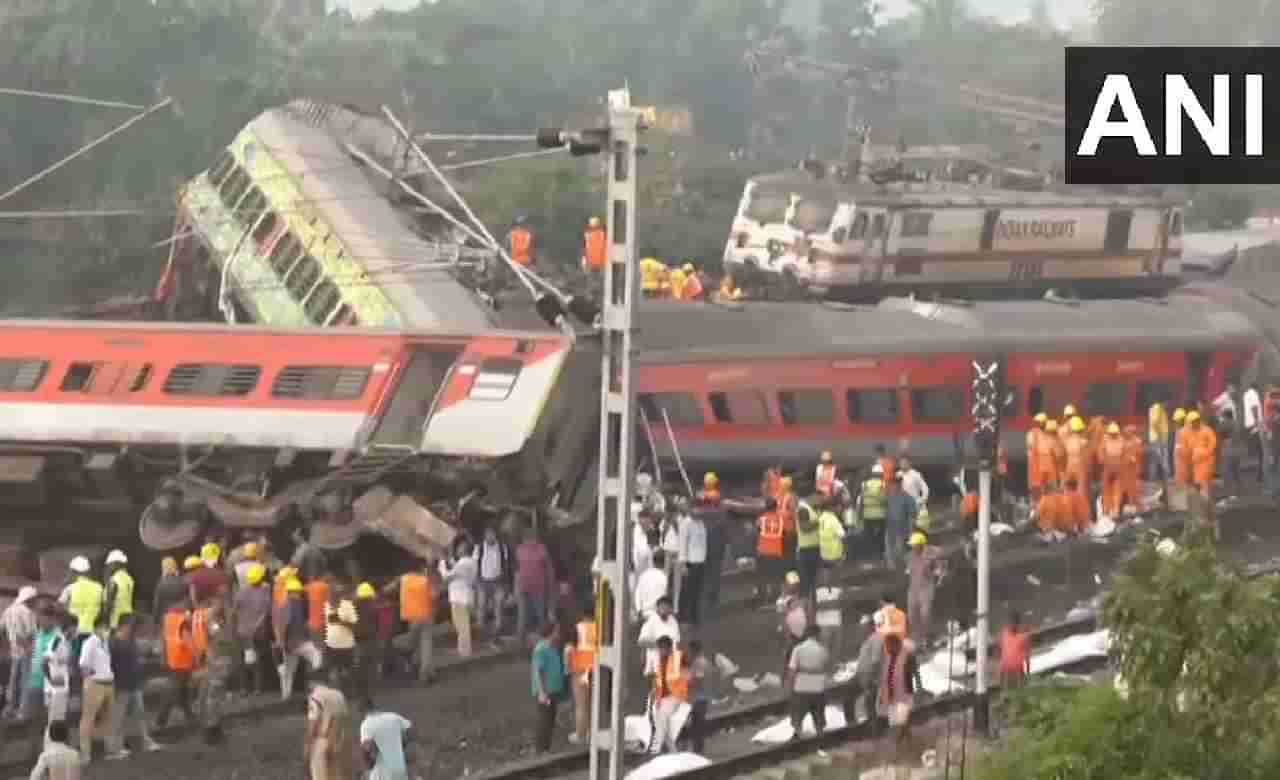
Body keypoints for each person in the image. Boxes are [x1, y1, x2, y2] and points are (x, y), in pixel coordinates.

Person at [107, 614, 160, 756]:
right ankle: (115, 747)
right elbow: (110, 665)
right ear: (123, 626)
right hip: (121, 685)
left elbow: (136, 660)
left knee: (140, 714)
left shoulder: (130, 641)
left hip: (134, 683)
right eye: (131, 626)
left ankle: (146, 741)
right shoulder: (114, 643)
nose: (133, 629)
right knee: (119, 717)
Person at [383, 563, 435, 683]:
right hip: (426, 614)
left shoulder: (403, 578)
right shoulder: (425, 579)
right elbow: (434, 595)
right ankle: (425, 673)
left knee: (412, 641)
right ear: (420, 569)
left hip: (411, 616)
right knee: (426, 645)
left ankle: (406, 655)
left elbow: (387, 589)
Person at [196, 599, 235, 745]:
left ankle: (213, 727)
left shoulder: (212, 619)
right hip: (216, 661)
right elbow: (222, 638)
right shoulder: (212, 621)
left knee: (215, 696)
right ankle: (211, 729)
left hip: (218, 660)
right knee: (213, 696)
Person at [277, 578, 323, 701]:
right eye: (297, 592)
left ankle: (286, 696)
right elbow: (286, 624)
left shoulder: (286, 605)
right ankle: (315, 687)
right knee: (317, 656)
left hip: (290, 643)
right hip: (297, 642)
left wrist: (282, 642)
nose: (298, 594)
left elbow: (282, 625)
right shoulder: (296, 605)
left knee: (288, 671)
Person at [77, 616, 115, 762]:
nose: (107, 631)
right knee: (88, 719)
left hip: (108, 683)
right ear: (97, 627)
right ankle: (85, 754)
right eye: (105, 627)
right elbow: (83, 665)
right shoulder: (90, 643)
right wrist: (88, 682)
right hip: (95, 684)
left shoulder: (105, 643)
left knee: (108, 719)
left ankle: (110, 750)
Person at [879, 633, 921, 762]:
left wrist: (920, 687)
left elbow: (916, 673)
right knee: (900, 724)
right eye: (887, 646)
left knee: (899, 724)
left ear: (897, 644)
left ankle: (895, 753)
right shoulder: (887, 658)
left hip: (905, 695)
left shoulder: (908, 656)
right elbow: (884, 678)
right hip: (892, 697)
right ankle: (910, 747)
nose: (889, 648)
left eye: (890, 645)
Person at [156, 600, 197, 728]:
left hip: (172, 656)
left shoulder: (168, 618)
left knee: (181, 687)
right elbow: (187, 640)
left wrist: (163, 655)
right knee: (175, 688)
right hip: (182, 659)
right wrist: (197, 655)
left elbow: (164, 637)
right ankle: (162, 717)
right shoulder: (183, 620)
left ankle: (188, 712)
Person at [645, 636, 688, 755]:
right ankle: (673, 752)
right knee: (662, 722)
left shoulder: (678, 657)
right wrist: (657, 700)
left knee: (662, 718)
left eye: (662, 648)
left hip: (676, 695)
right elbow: (659, 683)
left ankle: (655, 750)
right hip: (664, 698)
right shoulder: (659, 661)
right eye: (659, 648)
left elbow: (687, 675)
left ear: (669, 648)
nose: (660, 651)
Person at [786, 625, 830, 740]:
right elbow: (826, 669)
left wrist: (790, 687)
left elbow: (792, 671)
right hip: (818, 687)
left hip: (801, 686)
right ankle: (820, 738)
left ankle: (798, 737)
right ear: (817, 634)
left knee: (798, 716)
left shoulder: (798, 649)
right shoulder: (823, 650)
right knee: (818, 717)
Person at [234, 563, 272, 695]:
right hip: (258, 631)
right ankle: (257, 688)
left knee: (243, 660)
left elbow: (235, 610)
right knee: (258, 659)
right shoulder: (265, 592)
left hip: (243, 630)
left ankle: (244, 688)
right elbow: (267, 611)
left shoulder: (240, 592)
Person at [305, 672, 351, 780]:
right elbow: (344, 719)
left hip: (321, 741)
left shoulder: (315, 696)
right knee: (335, 776)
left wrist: (307, 745)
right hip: (337, 740)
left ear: (311, 683)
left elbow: (313, 723)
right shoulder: (339, 694)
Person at [531, 622, 568, 752]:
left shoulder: (552, 647)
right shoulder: (541, 649)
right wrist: (542, 692)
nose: (558, 633)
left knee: (550, 719)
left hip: (551, 690)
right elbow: (539, 671)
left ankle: (545, 747)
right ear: (551, 632)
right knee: (544, 720)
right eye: (556, 631)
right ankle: (541, 748)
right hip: (545, 691)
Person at [515, 527, 555, 643]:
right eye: (528, 539)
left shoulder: (541, 549)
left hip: (538, 587)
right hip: (524, 587)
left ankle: (543, 638)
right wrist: (516, 587)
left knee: (539, 613)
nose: (530, 541)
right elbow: (517, 569)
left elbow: (549, 568)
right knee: (523, 614)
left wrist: (550, 584)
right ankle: (520, 638)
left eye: (531, 538)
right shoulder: (520, 549)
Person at [3, 585, 38, 719]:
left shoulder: (8, 610)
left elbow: (2, 629)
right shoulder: (27, 613)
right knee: (25, 681)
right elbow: (31, 633)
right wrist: (29, 647)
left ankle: (9, 708)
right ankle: (22, 711)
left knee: (13, 681)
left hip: (14, 651)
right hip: (26, 651)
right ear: (29, 599)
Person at [474, 525, 513, 640]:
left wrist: (505, 581)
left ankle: (497, 631)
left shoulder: (502, 547)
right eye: (488, 535)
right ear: (484, 536)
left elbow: (506, 564)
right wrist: (477, 580)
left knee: (498, 607)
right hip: (483, 581)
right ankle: (481, 631)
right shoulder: (479, 548)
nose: (490, 537)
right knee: (481, 606)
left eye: (492, 534)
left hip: (498, 581)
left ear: (495, 535)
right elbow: (475, 564)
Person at [439, 542, 477, 657]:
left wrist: (441, 563)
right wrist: (448, 559)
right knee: (462, 624)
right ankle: (462, 649)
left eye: (460, 548)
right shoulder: (470, 562)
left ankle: (465, 651)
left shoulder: (463, 564)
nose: (457, 550)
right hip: (465, 596)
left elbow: (447, 576)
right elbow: (456, 568)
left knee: (462, 625)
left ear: (464, 550)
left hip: (459, 598)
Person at [566, 606, 596, 745]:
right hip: (595, 668)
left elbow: (569, 649)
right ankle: (591, 733)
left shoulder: (577, 628)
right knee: (592, 703)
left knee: (580, 704)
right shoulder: (599, 628)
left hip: (580, 668)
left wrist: (567, 668)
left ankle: (580, 734)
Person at [323, 585, 360, 697]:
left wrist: (341, 621)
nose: (332, 596)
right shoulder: (326, 606)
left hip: (346, 645)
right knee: (333, 672)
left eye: (335, 594)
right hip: (331, 645)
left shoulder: (347, 606)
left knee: (347, 672)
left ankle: (348, 693)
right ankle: (338, 694)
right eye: (331, 594)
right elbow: (324, 625)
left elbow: (354, 625)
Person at [360, 703, 413, 780]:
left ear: (363, 712)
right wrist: (401, 745)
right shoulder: (393, 717)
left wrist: (368, 766)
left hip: (382, 773)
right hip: (400, 769)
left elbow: (366, 747)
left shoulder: (367, 724)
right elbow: (410, 730)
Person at [906, 533, 942, 644]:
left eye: (914, 545)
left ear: (920, 544)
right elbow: (908, 571)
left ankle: (927, 637)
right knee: (912, 614)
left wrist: (937, 576)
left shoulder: (930, 555)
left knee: (925, 613)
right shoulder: (910, 556)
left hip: (926, 588)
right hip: (913, 589)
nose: (912, 547)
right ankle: (916, 637)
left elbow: (939, 568)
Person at [677, 504, 708, 625]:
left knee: (697, 590)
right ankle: (682, 616)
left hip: (700, 561)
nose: (698, 510)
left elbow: (703, 542)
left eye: (700, 508)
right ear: (691, 509)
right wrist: (683, 563)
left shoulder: (701, 523)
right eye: (696, 508)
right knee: (686, 591)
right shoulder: (686, 524)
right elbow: (682, 544)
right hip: (689, 562)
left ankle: (694, 615)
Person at [352, 583, 380, 709]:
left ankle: (362, 700)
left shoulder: (353, 607)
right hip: (370, 643)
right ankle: (367, 699)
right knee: (369, 673)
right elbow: (376, 625)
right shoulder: (372, 608)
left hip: (358, 644)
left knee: (360, 673)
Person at [638, 597, 680, 679]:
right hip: (654, 664)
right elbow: (641, 641)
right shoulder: (651, 621)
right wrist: (660, 645)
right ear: (657, 608)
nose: (664, 609)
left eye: (667, 607)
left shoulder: (674, 622)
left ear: (671, 609)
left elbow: (677, 643)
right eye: (662, 607)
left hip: (670, 664)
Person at [683, 640, 713, 753]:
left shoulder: (699, 663)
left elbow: (698, 680)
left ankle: (697, 750)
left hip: (699, 699)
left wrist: (686, 682)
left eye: (690, 650)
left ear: (694, 650)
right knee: (696, 725)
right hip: (700, 698)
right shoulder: (701, 662)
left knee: (697, 726)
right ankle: (697, 749)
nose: (688, 653)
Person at [883, 475, 917, 570]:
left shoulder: (907, 498)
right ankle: (892, 567)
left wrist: (911, 529)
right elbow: (885, 510)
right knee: (889, 548)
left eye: (896, 484)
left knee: (900, 549)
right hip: (890, 526)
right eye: (892, 484)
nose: (893, 486)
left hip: (901, 528)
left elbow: (912, 514)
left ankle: (907, 564)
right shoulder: (888, 496)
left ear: (900, 484)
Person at [777, 573, 808, 673]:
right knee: (788, 653)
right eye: (792, 583)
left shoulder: (799, 597)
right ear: (785, 584)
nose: (794, 586)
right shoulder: (782, 600)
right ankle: (786, 673)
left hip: (801, 631)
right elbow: (781, 618)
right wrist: (787, 633)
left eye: (796, 584)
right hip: (790, 632)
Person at [756, 497, 786, 599]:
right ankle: (777, 597)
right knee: (777, 576)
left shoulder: (761, 519)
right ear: (776, 507)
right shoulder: (781, 519)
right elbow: (784, 533)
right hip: (777, 551)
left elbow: (758, 530)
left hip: (763, 551)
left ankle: (765, 598)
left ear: (766, 507)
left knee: (764, 575)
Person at [794, 495, 822, 602]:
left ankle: (811, 608)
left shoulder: (810, 508)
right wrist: (819, 521)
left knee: (812, 581)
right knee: (806, 583)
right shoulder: (803, 508)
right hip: (806, 551)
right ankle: (806, 609)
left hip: (813, 549)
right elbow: (804, 528)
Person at [1186, 411, 1219, 498]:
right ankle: (1203, 500)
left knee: (1204, 482)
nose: (1192, 424)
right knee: (1198, 482)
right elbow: (1189, 446)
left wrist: (1204, 453)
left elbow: (1213, 444)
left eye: (1193, 422)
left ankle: (1206, 501)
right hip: (1196, 462)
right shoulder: (1190, 432)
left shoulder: (1207, 430)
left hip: (1206, 461)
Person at [814, 569, 844, 659]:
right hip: (823, 624)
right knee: (824, 647)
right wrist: (834, 603)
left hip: (837, 622)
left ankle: (834, 665)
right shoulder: (816, 590)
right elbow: (818, 606)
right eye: (823, 575)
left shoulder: (838, 589)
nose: (826, 577)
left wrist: (826, 604)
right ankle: (823, 664)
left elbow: (842, 604)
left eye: (827, 574)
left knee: (837, 647)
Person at [101, 550, 133, 630]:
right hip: (127, 621)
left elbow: (109, 603)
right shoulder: (129, 579)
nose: (108, 567)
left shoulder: (114, 580)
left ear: (115, 564)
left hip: (115, 623)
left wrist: (104, 622)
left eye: (109, 565)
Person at [634, 551, 669, 624]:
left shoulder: (644, 575)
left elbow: (637, 594)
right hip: (658, 615)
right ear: (664, 562)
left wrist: (639, 611)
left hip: (645, 615)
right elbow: (664, 596)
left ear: (653, 561)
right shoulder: (663, 577)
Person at [999, 611, 1032, 688]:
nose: (1011, 625)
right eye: (1010, 623)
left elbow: (1027, 657)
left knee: (1018, 691)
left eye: (1013, 623)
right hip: (1006, 670)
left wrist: (1027, 673)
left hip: (1016, 670)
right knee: (1006, 692)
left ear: (1017, 624)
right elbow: (1001, 651)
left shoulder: (1023, 637)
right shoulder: (1004, 633)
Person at [152, 557, 188, 624]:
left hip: (168, 616)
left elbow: (157, 603)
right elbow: (188, 598)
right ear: (175, 566)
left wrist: (155, 619)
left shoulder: (161, 583)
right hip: (183, 614)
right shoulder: (182, 581)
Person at [1244, 383, 1264, 480]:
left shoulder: (1246, 395)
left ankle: (1260, 473)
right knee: (1261, 450)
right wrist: (1257, 424)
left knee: (1258, 450)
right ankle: (1260, 474)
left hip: (1249, 425)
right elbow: (1254, 408)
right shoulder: (1254, 394)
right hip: (1255, 425)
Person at [1148, 400, 1171, 483]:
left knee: (1155, 458)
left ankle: (1152, 478)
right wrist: (1160, 435)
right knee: (1162, 458)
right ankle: (1164, 478)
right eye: (1167, 403)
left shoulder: (1156, 408)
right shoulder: (1158, 408)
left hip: (1157, 437)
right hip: (1158, 438)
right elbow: (1155, 422)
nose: (1168, 405)